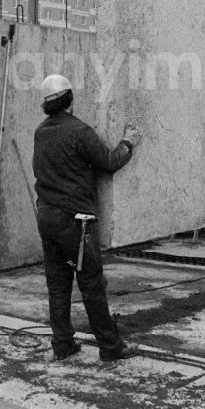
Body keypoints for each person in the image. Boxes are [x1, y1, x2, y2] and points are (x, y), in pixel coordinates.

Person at [32, 74, 142, 362]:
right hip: (76, 221)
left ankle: (63, 345)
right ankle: (110, 347)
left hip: (47, 216)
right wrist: (128, 143)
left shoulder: (41, 132)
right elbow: (108, 162)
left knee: (57, 285)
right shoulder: (80, 131)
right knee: (92, 283)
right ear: (70, 99)